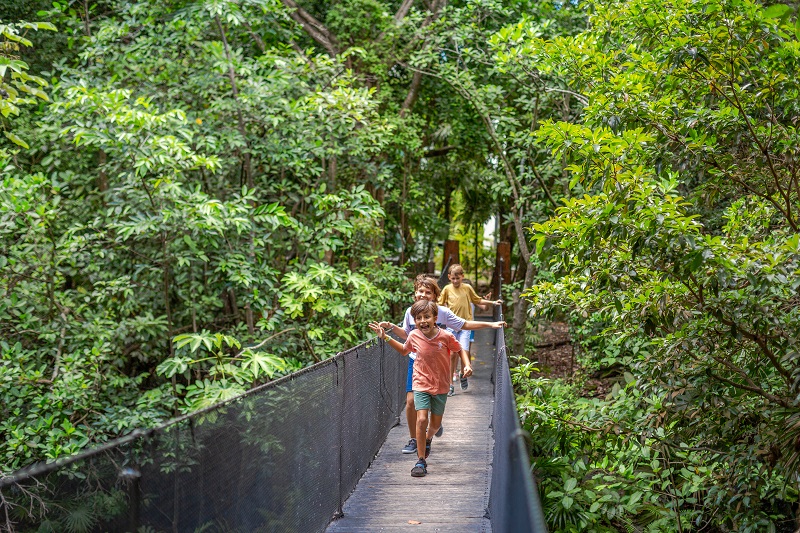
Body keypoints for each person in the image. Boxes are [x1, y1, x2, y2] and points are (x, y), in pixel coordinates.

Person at [375, 274, 506, 455]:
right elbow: (407, 335)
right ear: (415, 293)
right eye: (420, 291)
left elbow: (464, 324)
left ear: (435, 296)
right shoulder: (410, 312)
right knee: (411, 401)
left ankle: (431, 428)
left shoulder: (442, 312)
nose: (423, 295)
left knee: (433, 411)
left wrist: (490, 325)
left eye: (428, 292)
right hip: (417, 361)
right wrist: (389, 326)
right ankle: (414, 439)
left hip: (439, 365)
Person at [369, 300, 462, 477]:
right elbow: (405, 351)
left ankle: (428, 439)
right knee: (421, 420)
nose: (422, 321)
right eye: (418, 318)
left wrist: (465, 365)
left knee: (434, 425)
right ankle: (420, 461)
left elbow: (458, 349)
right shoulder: (413, 335)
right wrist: (386, 336)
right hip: (420, 383)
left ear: (435, 318)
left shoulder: (445, 336)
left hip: (441, 385)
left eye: (426, 317)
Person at [438, 264, 502, 395]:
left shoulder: (467, 288)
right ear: (449, 277)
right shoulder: (446, 289)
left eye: (458, 278)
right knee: (452, 354)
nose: (455, 281)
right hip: (451, 325)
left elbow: (477, 300)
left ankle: (463, 374)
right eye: (453, 278)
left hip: (466, 325)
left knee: (464, 352)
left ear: (462, 277)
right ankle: (450, 384)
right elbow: (439, 304)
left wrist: (493, 303)